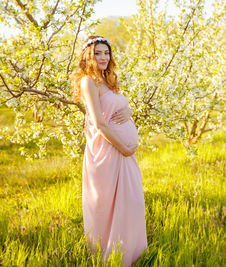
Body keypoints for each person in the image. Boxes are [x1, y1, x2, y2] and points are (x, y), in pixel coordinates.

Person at [71, 35, 147, 266]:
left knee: (131, 202)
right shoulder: (88, 81)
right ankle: (110, 258)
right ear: (88, 55)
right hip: (107, 152)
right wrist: (124, 147)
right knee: (108, 205)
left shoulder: (107, 80)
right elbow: (99, 123)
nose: (103, 57)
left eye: (106, 53)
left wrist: (129, 113)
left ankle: (131, 255)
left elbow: (116, 108)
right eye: (98, 53)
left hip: (124, 153)